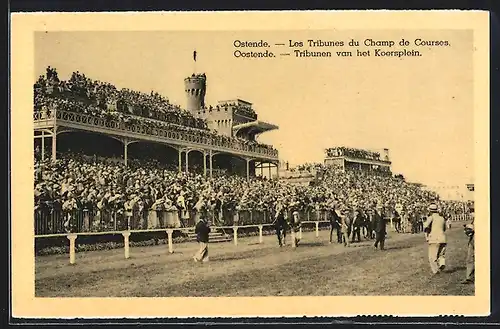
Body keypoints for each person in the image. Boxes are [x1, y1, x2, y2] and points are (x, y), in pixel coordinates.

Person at [423, 203, 447, 275]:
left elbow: (425, 226)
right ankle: (442, 263)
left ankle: (436, 271)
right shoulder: (442, 218)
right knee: (441, 254)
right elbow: (444, 228)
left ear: (430, 210)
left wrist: (427, 235)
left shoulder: (431, 217)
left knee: (432, 257)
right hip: (442, 238)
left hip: (434, 238)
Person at [462, 211, 475, 284]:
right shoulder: (473, 220)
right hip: (472, 240)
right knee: (469, 258)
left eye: (472, 211)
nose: (471, 213)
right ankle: (468, 278)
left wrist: (470, 227)